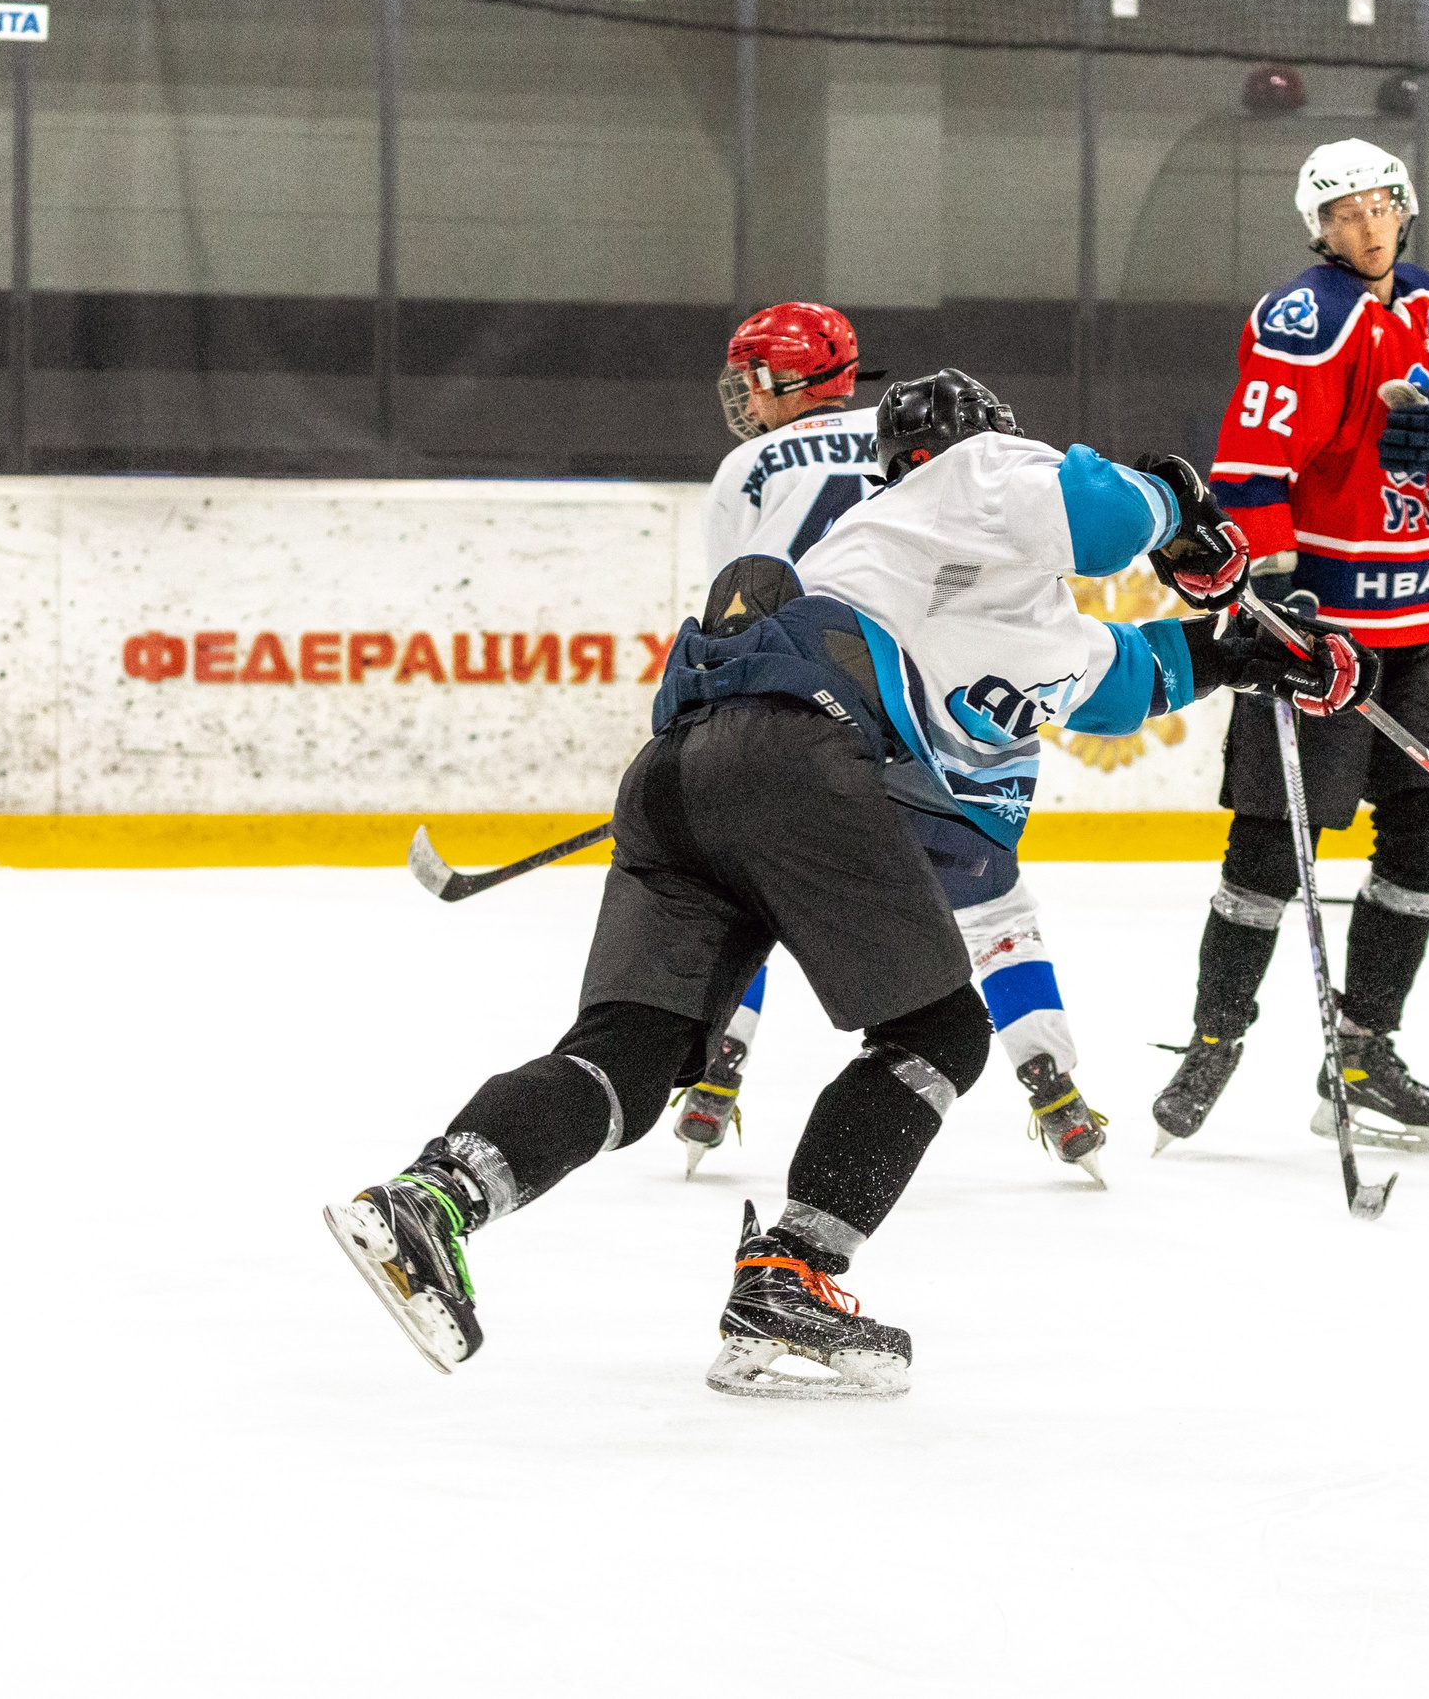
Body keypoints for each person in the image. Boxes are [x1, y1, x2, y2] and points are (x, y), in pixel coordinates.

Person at [321, 368, 1373, 1396]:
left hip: (680, 773)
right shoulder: (971, 472)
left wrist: (1246, 656)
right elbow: (1101, 518)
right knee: (940, 1034)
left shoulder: (941, 575)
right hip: (798, 764)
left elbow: (1115, 679)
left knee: (630, 1058)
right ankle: (790, 1275)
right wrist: (1180, 506)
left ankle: (433, 1199)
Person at [682, 303, 1111, 1184]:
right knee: (991, 903)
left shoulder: (749, 464)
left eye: (751, 377)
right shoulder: (917, 442)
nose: (744, 397)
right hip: (927, 699)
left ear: (777, 381)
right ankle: (1053, 1083)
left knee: (749, 882)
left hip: (802, 707)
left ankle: (716, 1073)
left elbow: (740, 598)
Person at [1153, 136, 1429, 1154]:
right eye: (1340, 213)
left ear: (1404, 207)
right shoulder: (1303, 317)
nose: (1362, 227)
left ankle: (1359, 1055)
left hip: (1409, 631)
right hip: (1318, 626)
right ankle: (1213, 1039)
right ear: (1316, 229)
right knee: (1271, 849)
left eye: (1376, 207)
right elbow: (1253, 469)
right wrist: (1274, 602)